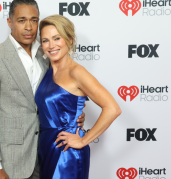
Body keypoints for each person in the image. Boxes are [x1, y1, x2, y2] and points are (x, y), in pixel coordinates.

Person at [0, 0, 86, 179]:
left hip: (48, 151)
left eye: (34, 20)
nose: (29, 27)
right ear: (10, 22)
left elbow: (60, 93)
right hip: (11, 160)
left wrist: (75, 114)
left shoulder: (48, 53)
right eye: (21, 20)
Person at [35, 15, 122, 179]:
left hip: (67, 152)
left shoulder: (77, 72)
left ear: (69, 39)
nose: (51, 45)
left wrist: (83, 141)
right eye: (45, 40)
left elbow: (113, 109)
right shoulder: (47, 71)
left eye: (56, 38)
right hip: (46, 147)